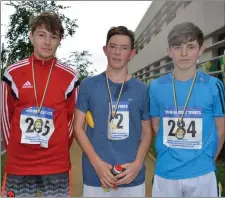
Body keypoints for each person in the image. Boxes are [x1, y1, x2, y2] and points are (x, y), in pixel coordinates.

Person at [0, 11, 79, 197]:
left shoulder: (70, 76)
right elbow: (5, 118)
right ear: (31, 36)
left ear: (60, 40)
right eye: (41, 35)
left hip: (55, 164)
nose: (47, 42)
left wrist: (57, 148)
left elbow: (71, 121)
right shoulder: (12, 73)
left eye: (54, 37)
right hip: (19, 164)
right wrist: (16, 151)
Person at [74, 26, 152, 197]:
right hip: (97, 175)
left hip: (131, 175)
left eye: (124, 48)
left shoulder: (143, 90)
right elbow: (78, 128)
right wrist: (97, 164)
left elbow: (147, 133)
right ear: (105, 50)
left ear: (131, 54)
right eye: (113, 46)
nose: (117, 52)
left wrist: (138, 163)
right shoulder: (88, 85)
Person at [149, 22, 225, 197]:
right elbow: (155, 126)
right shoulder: (156, 87)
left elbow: (221, 130)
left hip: (202, 174)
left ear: (200, 50)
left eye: (190, 47)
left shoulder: (214, 86)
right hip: (166, 173)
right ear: (169, 51)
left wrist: (207, 161)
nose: (183, 53)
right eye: (177, 47)